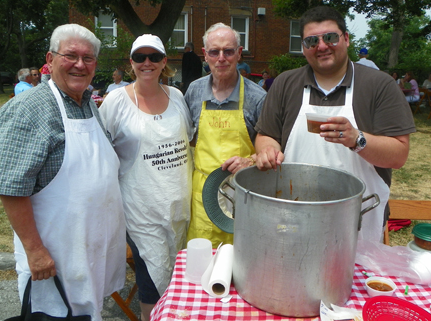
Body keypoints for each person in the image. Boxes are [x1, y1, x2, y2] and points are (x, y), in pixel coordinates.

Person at [0, 24, 126, 320]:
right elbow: (11, 188)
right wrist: (35, 250)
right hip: (55, 255)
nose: (80, 64)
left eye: (88, 58)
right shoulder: (29, 108)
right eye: (71, 56)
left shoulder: (89, 103)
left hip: (88, 249)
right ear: (50, 60)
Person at [254, 6, 415, 243]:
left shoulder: (378, 85)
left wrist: (358, 139)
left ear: (346, 39)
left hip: (358, 222)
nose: (321, 46)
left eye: (330, 37)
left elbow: (398, 155)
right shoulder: (286, 84)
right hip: (294, 217)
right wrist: (267, 149)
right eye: (311, 41)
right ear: (303, 47)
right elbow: (266, 135)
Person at [99, 34, 194, 321]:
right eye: (140, 57)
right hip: (141, 212)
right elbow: (102, 155)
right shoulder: (117, 101)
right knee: (151, 282)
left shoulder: (176, 96)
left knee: (180, 275)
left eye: (154, 56)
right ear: (131, 63)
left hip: (180, 207)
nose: (147, 62)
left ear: (165, 62)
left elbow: (188, 143)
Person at [185, 22, 266, 248]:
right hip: (202, 197)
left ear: (239, 54)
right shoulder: (193, 92)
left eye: (228, 51)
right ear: (205, 55)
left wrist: (249, 160)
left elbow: (272, 150)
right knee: (201, 267)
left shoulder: (257, 97)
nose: (221, 58)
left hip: (242, 197)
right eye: (214, 51)